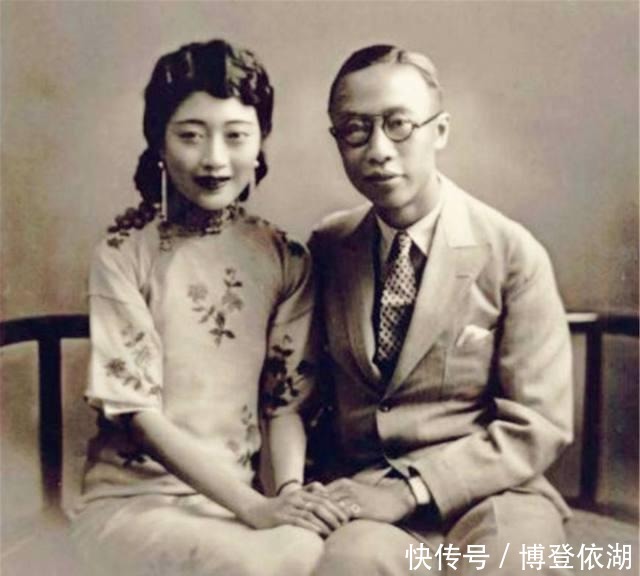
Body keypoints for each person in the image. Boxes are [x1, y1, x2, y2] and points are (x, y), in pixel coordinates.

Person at [70, 39, 347, 576]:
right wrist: (257, 510)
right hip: (132, 506)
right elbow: (139, 416)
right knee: (266, 564)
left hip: (238, 506)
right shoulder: (123, 254)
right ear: (159, 141)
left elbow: (283, 404)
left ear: (260, 142)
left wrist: (289, 495)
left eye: (236, 135)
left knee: (308, 548)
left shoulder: (284, 257)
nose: (215, 159)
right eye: (191, 135)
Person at [309, 44, 574, 575]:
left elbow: (540, 423)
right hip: (368, 490)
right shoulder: (329, 247)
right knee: (349, 566)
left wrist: (413, 489)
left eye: (399, 125)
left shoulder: (510, 251)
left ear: (441, 131)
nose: (379, 150)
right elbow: (300, 391)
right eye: (355, 130)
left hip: (495, 491)